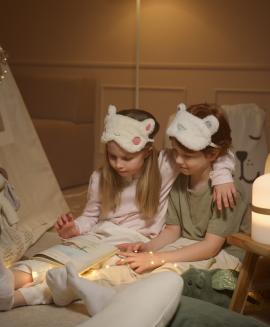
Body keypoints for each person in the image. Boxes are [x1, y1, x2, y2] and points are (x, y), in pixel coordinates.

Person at [0, 104, 235, 313]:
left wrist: (223, 176)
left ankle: (19, 298)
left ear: (147, 151)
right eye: (112, 157)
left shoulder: (167, 165)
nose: (118, 164)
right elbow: (90, 217)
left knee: (87, 273)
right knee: (59, 256)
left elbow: (210, 151)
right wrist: (74, 228)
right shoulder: (100, 178)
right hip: (99, 233)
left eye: (127, 158)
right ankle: (9, 280)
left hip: (133, 242)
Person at [118, 103, 250, 275]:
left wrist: (158, 258)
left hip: (225, 255)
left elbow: (211, 247)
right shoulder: (180, 179)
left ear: (212, 154)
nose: (178, 161)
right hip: (190, 244)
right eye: (175, 152)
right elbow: (173, 230)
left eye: (187, 156)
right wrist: (147, 248)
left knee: (168, 273)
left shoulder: (228, 192)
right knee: (144, 269)